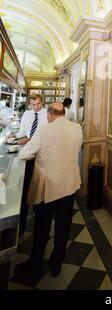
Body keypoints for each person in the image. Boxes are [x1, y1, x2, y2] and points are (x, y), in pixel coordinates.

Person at [15, 102, 83, 279]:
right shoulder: (77, 128)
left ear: (50, 114)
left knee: (42, 226)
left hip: (48, 186)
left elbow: (24, 154)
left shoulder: (44, 130)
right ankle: (56, 263)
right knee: (63, 225)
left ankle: (35, 263)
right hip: (69, 185)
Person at [18, 94, 48, 236]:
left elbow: (48, 135)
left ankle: (38, 207)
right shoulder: (27, 115)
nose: (36, 107)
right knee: (26, 182)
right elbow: (24, 130)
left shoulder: (48, 115)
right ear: (29, 104)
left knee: (39, 181)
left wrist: (32, 140)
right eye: (33, 105)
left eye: (38, 104)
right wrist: (22, 137)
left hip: (42, 152)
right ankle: (22, 221)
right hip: (28, 150)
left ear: (42, 102)